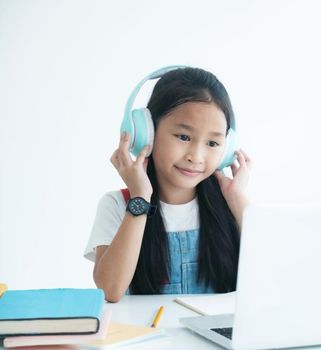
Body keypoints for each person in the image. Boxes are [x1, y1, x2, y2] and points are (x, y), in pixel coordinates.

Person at [83, 67, 251, 302]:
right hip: (150, 336)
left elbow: (273, 280)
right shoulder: (118, 205)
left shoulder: (230, 205)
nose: (196, 156)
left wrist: (237, 200)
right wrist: (140, 197)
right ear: (147, 134)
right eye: (183, 137)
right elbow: (110, 290)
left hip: (215, 339)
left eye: (212, 143)